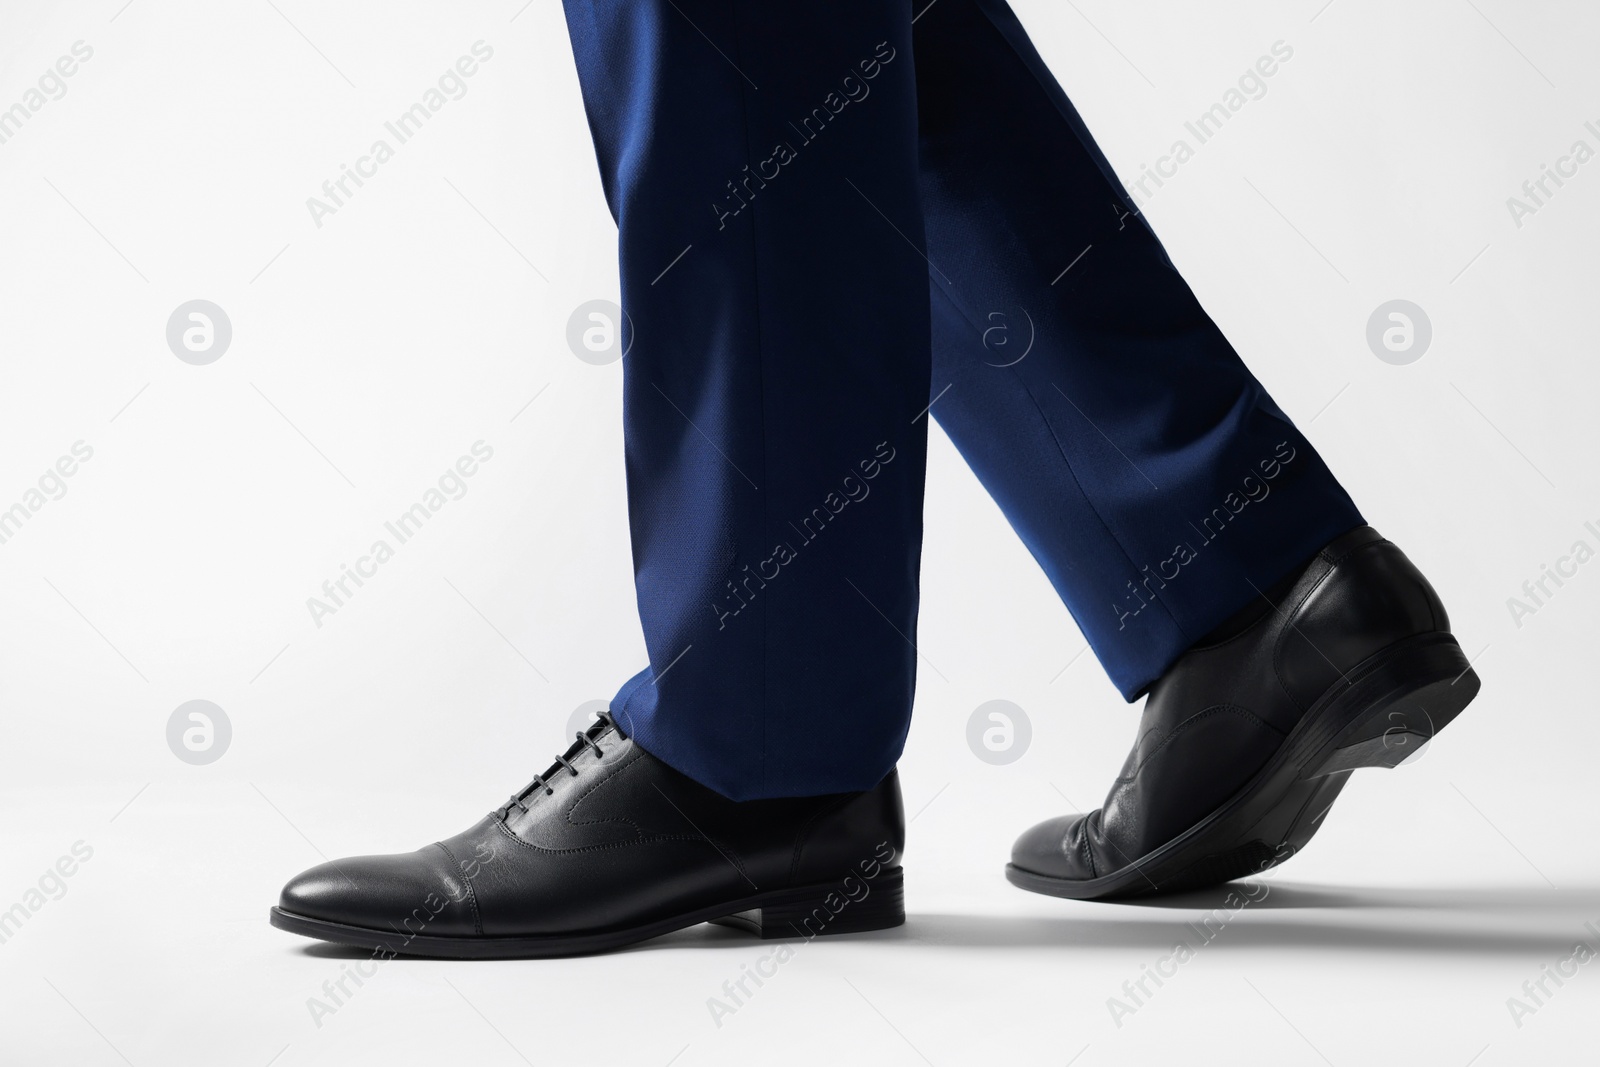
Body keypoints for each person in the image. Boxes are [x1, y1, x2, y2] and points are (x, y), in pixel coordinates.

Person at [269, 0, 1478, 957]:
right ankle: (1242, 587)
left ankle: (766, 733)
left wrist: (764, 724)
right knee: (852, 32)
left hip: (766, 736)